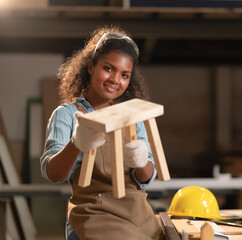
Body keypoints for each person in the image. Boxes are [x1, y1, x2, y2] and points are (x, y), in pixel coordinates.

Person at [40, 26, 163, 240]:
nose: (115, 79)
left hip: (136, 212)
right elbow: (53, 174)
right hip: (94, 213)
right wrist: (77, 142)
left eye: (124, 75)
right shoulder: (68, 114)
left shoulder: (131, 115)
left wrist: (141, 159)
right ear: (90, 67)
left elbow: (147, 177)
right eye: (108, 68)